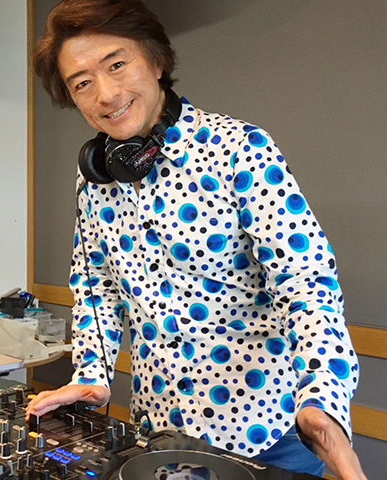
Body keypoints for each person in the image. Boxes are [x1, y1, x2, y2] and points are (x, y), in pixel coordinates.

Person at [25, 1, 366, 479]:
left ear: (156, 61)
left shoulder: (241, 148)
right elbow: (95, 285)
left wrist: (323, 398)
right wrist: (91, 376)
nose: (106, 94)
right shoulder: (94, 180)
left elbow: (306, 281)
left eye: (117, 64)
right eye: (82, 83)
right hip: (159, 433)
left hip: (267, 437)